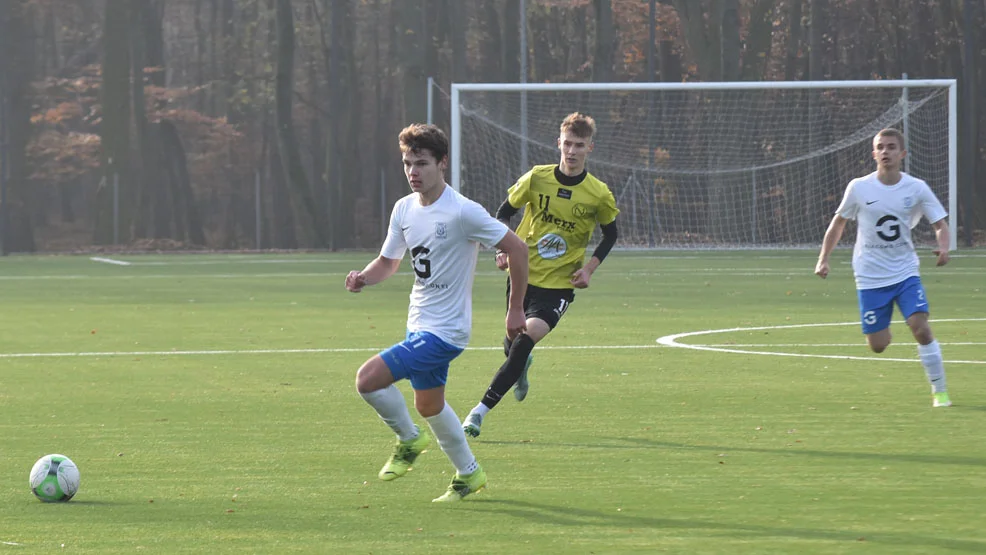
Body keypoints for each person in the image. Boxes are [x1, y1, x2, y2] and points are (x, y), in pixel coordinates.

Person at [346, 123, 529, 502]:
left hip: (447, 332)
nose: (413, 171)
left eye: (422, 163)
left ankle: (409, 440)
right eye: (407, 163)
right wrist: (364, 277)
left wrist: (515, 311)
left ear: (442, 163)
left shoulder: (463, 212)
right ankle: (469, 474)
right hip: (419, 324)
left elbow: (518, 249)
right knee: (429, 404)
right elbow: (388, 261)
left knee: (368, 379)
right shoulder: (404, 209)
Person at [462, 112, 620, 437]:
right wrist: (502, 249)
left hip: (559, 287)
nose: (572, 151)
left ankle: (479, 412)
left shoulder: (598, 194)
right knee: (512, 346)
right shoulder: (537, 178)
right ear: (558, 143)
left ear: (590, 147)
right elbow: (504, 212)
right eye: (567, 144)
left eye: (579, 145)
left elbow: (611, 234)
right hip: (522, 277)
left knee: (521, 344)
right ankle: (520, 369)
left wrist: (589, 268)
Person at [815, 127, 951, 408]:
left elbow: (940, 224)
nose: (885, 151)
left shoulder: (916, 188)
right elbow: (838, 224)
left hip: (904, 271)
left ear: (902, 154)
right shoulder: (859, 187)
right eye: (881, 147)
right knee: (878, 345)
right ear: (874, 153)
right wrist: (823, 258)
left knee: (920, 328)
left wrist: (945, 246)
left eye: (891, 147)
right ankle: (884, 324)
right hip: (869, 274)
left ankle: (940, 391)